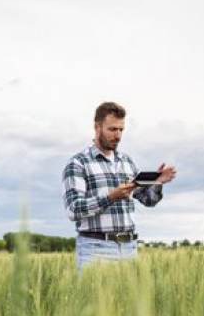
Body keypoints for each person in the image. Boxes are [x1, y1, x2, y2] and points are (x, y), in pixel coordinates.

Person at [62, 102, 176, 270]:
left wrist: (157, 183)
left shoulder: (127, 162)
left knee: (129, 298)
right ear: (97, 127)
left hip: (129, 248)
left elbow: (148, 200)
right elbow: (73, 210)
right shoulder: (78, 164)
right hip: (96, 249)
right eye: (112, 129)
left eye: (121, 130)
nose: (118, 135)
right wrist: (110, 197)